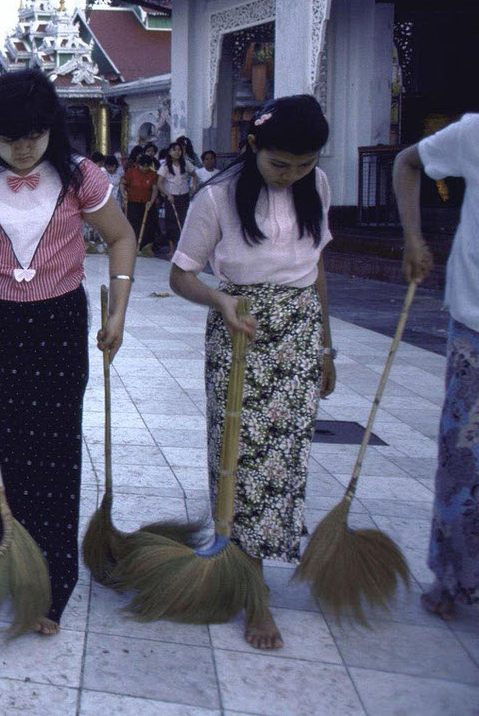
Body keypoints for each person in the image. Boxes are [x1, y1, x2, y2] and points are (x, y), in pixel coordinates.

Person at [0, 68, 136, 636]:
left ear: (50, 132)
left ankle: (54, 585)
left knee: (55, 454)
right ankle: (17, 559)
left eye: (33, 139)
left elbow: (121, 237)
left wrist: (118, 310)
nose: (21, 151)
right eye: (9, 140)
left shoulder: (80, 177)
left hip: (58, 323)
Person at [168, 95, 336, 650]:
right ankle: (248, 582)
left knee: (284, 459)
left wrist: (326, 350)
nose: (293, 175)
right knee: (237, 454)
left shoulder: (319, 188)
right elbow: (181, 276)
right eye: (280, 164)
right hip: (240, 329)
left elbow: (316, 274)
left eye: (305, 164)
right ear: (254, 146)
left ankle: (258, 571)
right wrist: (220, 302)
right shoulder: (215, 197)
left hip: (298, 335)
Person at [394, 113, 479, 621]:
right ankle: (453, 577)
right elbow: (407, 163)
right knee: (464, 459)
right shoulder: (474, 131)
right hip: (475, 323)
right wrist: (412, 237)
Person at [157, 141, 194, 252]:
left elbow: (194, 175)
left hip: (184, 195)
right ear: (169, 152)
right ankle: (172, 246)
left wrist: (193, 187)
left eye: (179, 150)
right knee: (171, 221)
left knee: (184, 219)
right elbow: (159, 183)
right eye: (174, 150)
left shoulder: (186, 163)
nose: (177, 152)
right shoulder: (165, 166)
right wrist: (167, 194)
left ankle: (183, 245)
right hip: (171, 197)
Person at [123, 154, 159, 251]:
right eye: (143, 166)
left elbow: (155, 189)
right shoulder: (131, 172)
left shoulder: (153, 174)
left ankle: (144, 247)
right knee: (133, 223)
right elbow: (123, 183)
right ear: (138, 165)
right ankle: (132, 245)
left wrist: (151, 201)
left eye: (147, 166)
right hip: (133, 202)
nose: (145, 168)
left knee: (147, 225)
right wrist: (123, 194)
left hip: (147, 203)